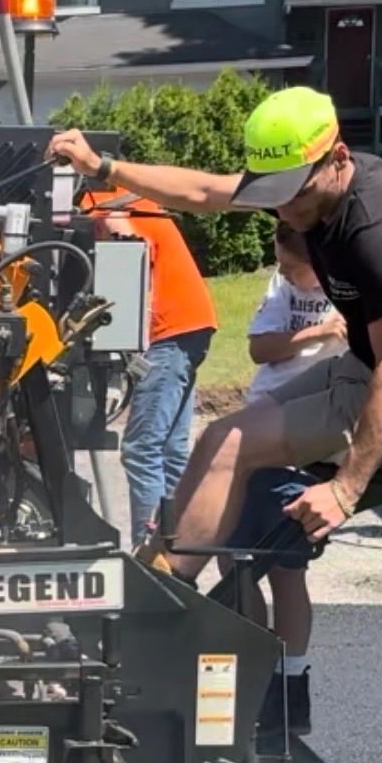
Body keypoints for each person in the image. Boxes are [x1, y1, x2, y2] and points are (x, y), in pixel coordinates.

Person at [46, 86, 382, 596]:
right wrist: (103, 167)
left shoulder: (378, 229)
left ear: (338, 157)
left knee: (230, 448)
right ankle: (162, 564)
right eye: (273, 193)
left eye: (293, 194)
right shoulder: (308, 186)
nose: (282, 211)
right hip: (367, 366)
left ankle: (163, 601)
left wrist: (345, 491)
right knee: (215, 440)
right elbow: (203, 192)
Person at [241, 223, 346, 732]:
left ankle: (290, 684)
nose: (283, 273)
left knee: (286, 567)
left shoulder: (348, 288)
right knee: (237, 564)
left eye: (291, 265)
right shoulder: (284, 287)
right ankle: (255, 675)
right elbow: (260, 348)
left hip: (305, 434)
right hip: (261, 420)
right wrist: (316, 333)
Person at [85, 188, 219, 545]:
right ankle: (178, 547)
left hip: (169, 330)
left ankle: (150, 552)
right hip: (192, 323)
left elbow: (127, 240)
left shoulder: (99, 203)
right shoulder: (129, 197)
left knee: (142, 449)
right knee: (170, 450)